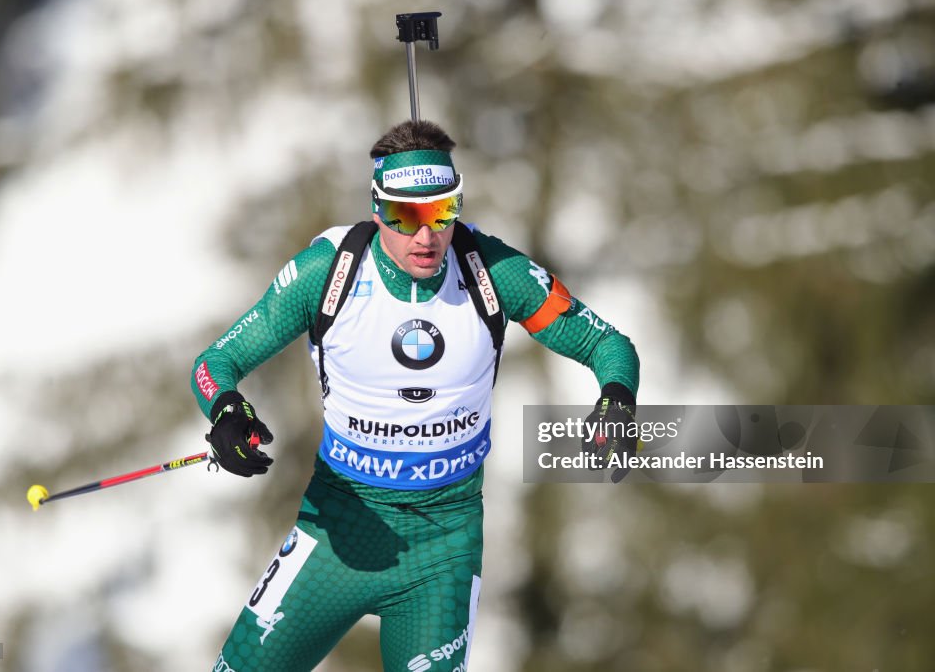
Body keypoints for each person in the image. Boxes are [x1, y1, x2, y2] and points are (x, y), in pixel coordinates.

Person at [191, 120, 640, 671]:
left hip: (443, 547)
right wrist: (227, 411)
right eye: (406, 216)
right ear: (378, 208)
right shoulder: (328, 273)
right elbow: (215, 364)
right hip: (340, 530)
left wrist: (617, 401)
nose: (426, 237)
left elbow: (607, 345)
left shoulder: (494, 272)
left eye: (442, 212)